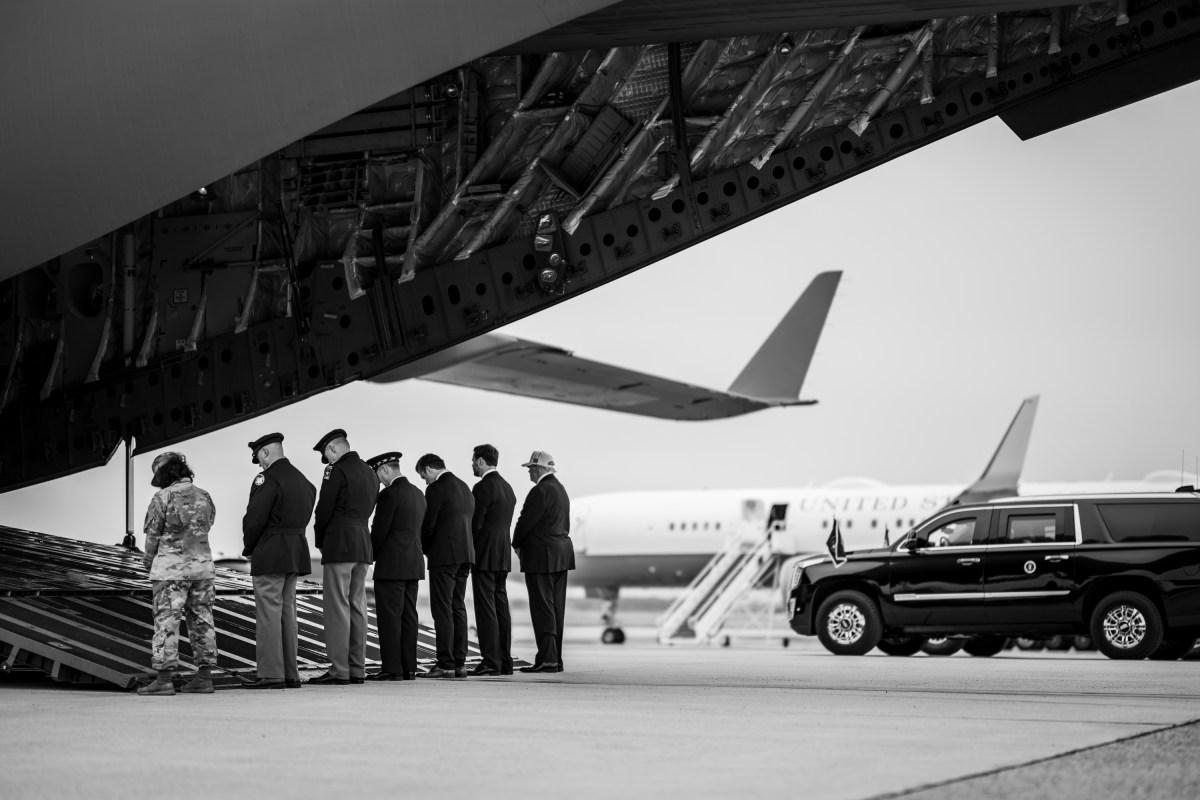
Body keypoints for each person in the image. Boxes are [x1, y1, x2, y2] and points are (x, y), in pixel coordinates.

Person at [137, 451, 219, 696]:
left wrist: (148, 560)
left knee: (167, 622)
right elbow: (208, 524)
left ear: (164, 474)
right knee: (202, 620)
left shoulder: (162, 497)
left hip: (170, 571)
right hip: (202, 569)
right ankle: (204, 679)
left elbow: (153, 535)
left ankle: (163, 680)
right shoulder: (205, 496)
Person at [241, 432, 316, 690]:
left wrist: (249, 547)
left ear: (264, 453)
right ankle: (290, 674)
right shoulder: (304, 482)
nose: (260, 465)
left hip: (271, 552)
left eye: (259, 459)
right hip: (295, 552)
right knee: (287, 614)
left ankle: (271, 674)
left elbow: (254, 519)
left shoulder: (267, 479)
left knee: (269, 616)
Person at [311, 429, 378, 686]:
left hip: (339, 541)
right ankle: (357, 668)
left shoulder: (335, 470)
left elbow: (324, 509)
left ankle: (339, 669)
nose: (327, 460)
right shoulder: (370, 472)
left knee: (337, 605)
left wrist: (320, 541)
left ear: (332, 449)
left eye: (326, 455)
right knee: (358, 605)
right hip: (362, 542)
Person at [512, 450, 574, 674]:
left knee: (542, 608)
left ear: (539, 469)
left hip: (541, 556)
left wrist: (516, 543)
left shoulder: (540, 491)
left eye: (531, 468)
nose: (529, 472)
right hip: (561, 555)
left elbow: (525, 521)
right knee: (556, 608)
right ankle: (555, 659)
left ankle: (546, 659)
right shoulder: (560, 490)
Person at [366, 451, 426, 681]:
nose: (379, 482)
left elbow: (379, 531)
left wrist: (370, 556)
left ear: (384, 470)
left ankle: (392, 668)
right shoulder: (418, 493)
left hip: (391, 565)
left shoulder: (390, 495)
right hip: (413, 564)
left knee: (390, 617)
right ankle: (408, 667)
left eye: (378, 476)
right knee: (409, 616)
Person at [415, 453, 475, 678]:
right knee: (458, 606)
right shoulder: (464, 487)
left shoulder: (436, 489)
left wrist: (425, 549)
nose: (425, 481)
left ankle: (445, 663)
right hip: (466, 554)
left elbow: (428, 525)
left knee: (442, 609)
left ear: (429, 469)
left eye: (423, 477)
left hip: (444, 555)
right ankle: (460, 663)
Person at [468, 443, 516, 676]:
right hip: (502, 554)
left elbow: (476, 525)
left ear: (480, 461)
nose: (472, 465)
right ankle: (505, 660)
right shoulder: (508, 488)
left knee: (485, 608)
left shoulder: (482, 487)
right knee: (501, 607)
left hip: (484, 554)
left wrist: (469, 549)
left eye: (473, 461)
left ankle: (490, 661)